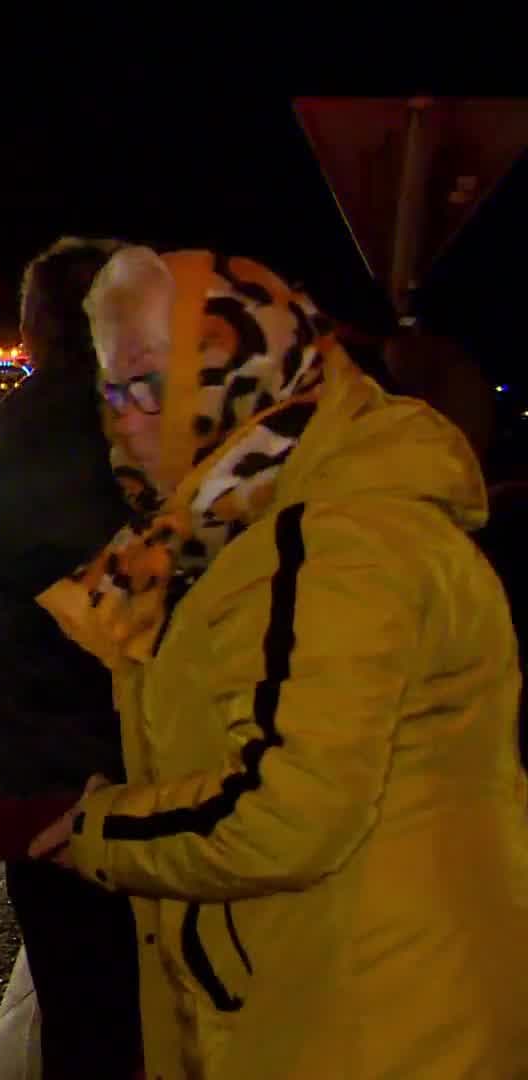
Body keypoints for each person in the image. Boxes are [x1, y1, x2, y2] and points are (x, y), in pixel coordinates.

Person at [28, 247, 528, 1080]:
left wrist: (101, 830)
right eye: (111, 391)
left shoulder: (332, 540)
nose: (125, 422)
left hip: (378, 1033)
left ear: (238, 369)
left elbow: (282, 816)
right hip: (328, 1002)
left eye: (148, 383)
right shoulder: (234, 529)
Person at [0, 237, 141, 1079]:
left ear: (35, 328)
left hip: (46, 780)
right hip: (178, 770)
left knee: (79, 1010)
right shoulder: (180, 433)